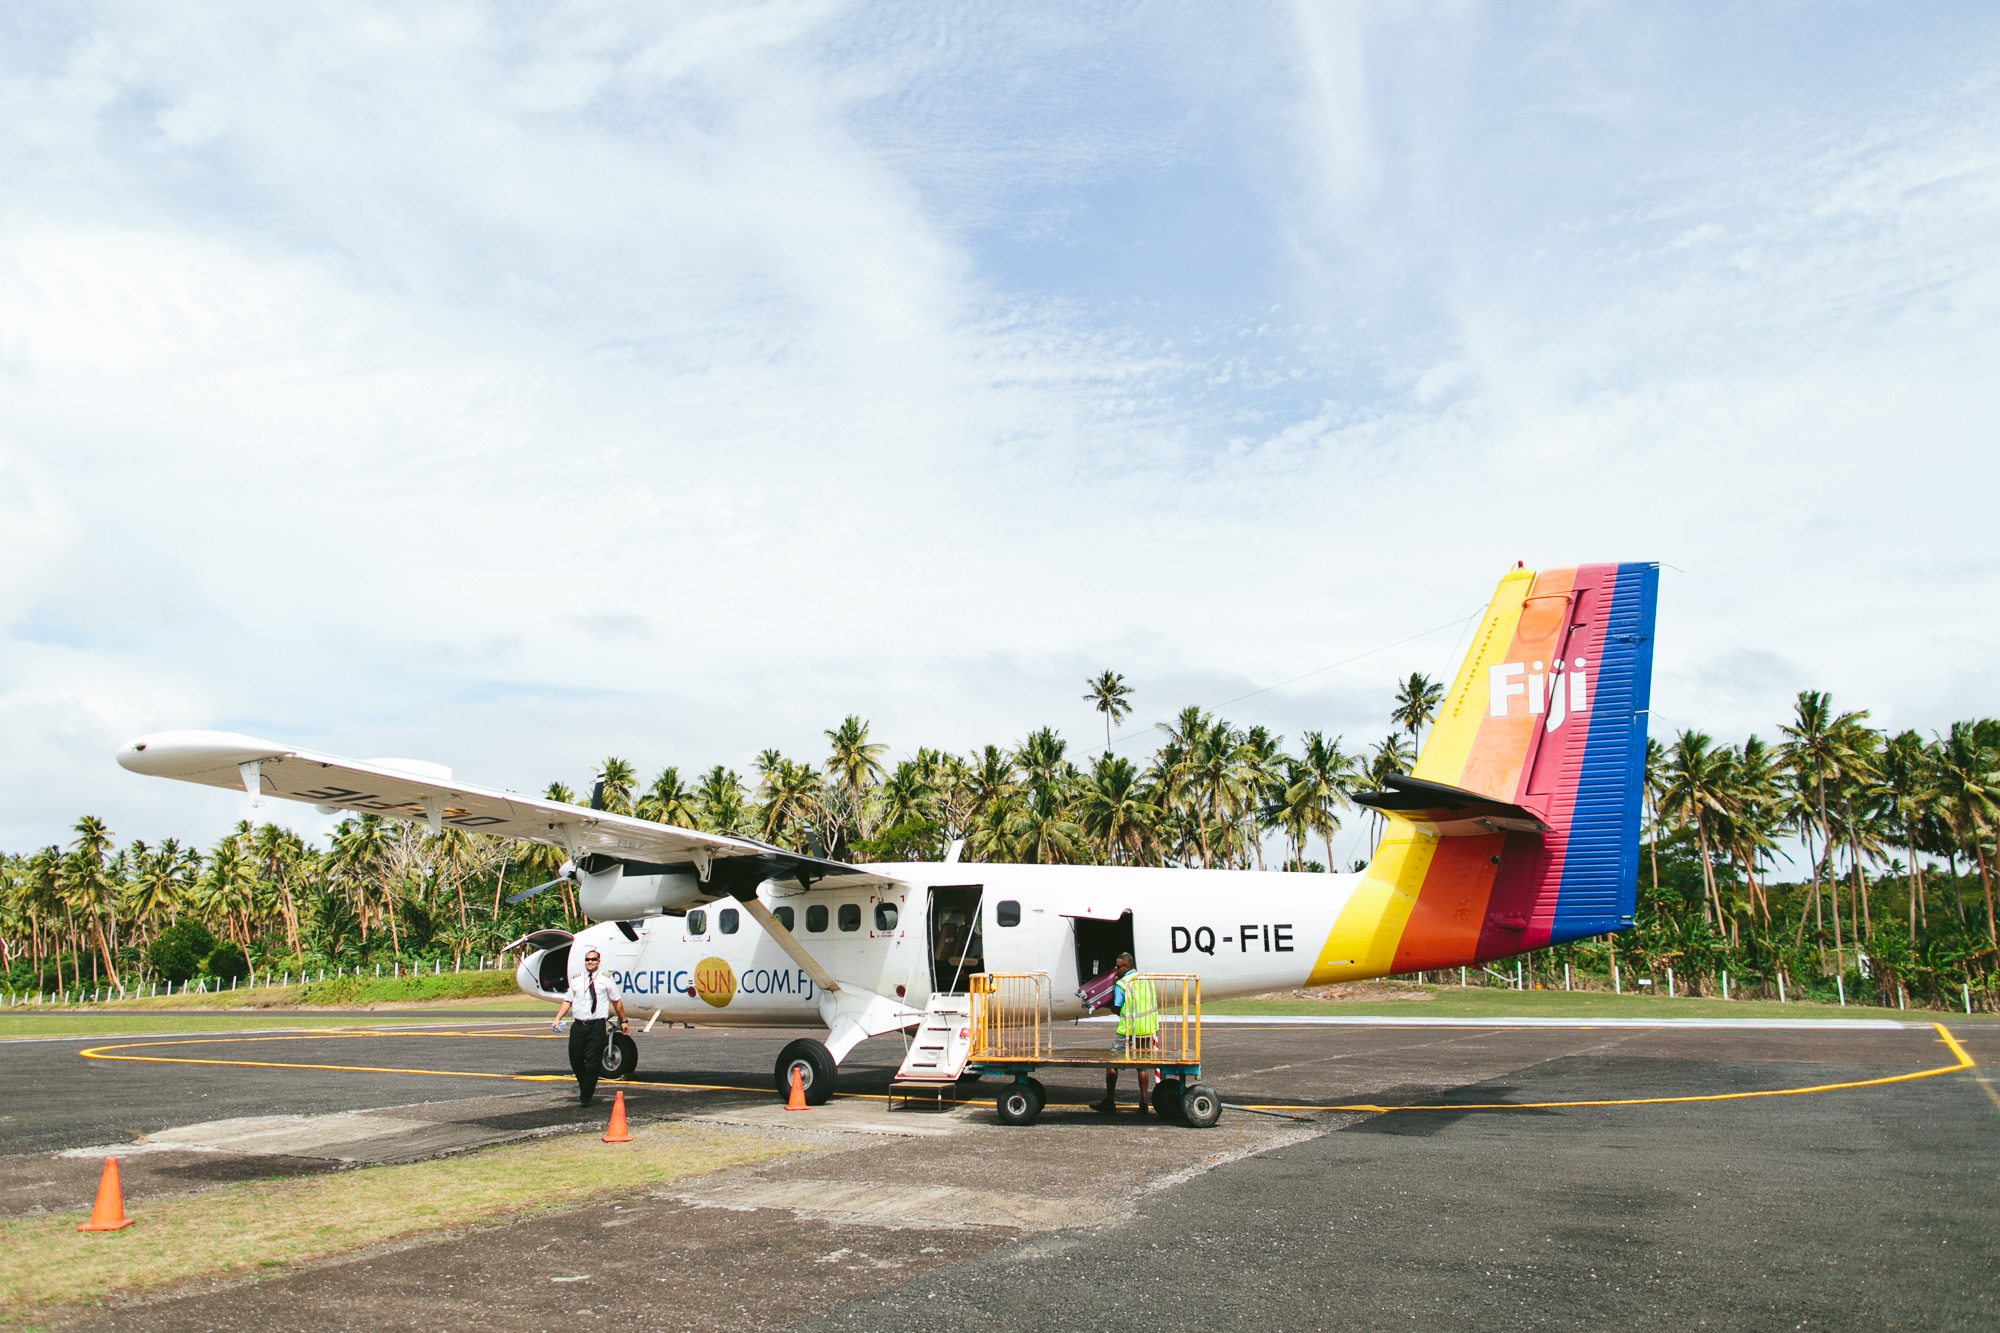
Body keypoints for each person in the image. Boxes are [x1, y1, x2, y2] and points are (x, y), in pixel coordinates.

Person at [552, 947, 627, 1107]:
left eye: (593, 959)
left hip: (596, 1025)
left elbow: (616, 1001)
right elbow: (567, 1000)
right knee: (576, 1059)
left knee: (593, 1062)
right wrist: (557, 1018)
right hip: (579, 1025)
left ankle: (586, 1095)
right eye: (587, 960)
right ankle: (584, 1084)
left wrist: (623, 1020)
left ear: (599, 962)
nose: (590, 962)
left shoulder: (606, 979)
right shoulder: (577, 979)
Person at [1094, 952, 1158, 1115]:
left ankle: (1109, 1101)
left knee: (1111, 1064)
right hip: (1147, 1029)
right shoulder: (1147, 981)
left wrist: (1102, 1005)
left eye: (1119, 966)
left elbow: (1117, 1007)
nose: (1116, 969)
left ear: (1128, 966)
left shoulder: (1122, 984)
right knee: (1141, 1066)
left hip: (1128, 1030)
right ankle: (1144, 1103)